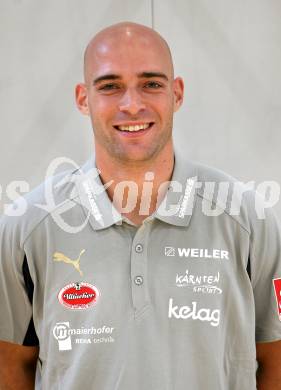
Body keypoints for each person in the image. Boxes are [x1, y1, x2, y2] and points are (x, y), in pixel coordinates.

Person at [0, 21, 281, 389]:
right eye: (110, 86)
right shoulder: (28, 227)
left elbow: (274, 359)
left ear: (176, 93)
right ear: (83, 98)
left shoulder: (248, 220)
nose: (132, 104)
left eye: (151, 84)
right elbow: (10, 367)